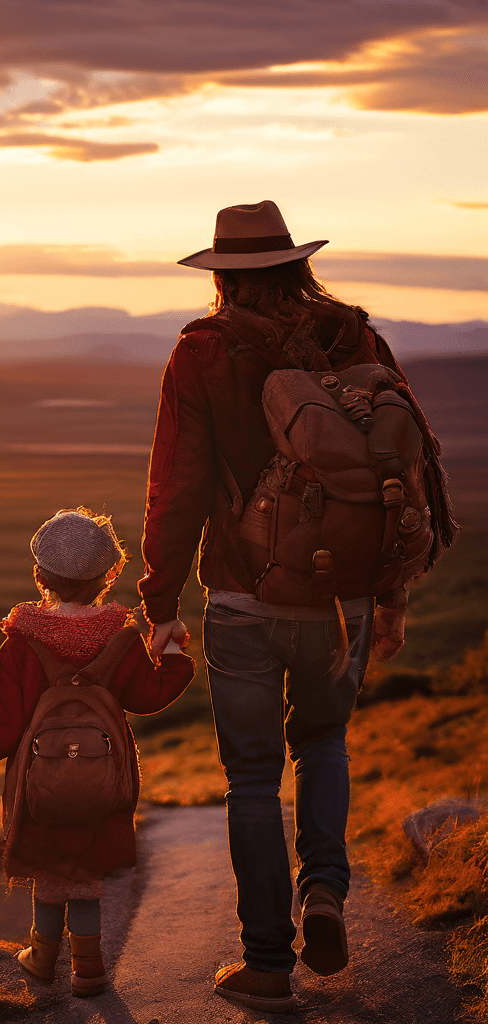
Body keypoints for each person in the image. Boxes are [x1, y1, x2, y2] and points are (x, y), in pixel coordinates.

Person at [139, 201, 457, 1013]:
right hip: (343, 599)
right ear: (296, 263)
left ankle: (267, 963)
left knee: (251, 780)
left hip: (244, 594)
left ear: (223, 276)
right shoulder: (354, 335)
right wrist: (391, 595)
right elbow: (400, 479)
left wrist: (161, 602)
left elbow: (175, 487)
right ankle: (324, 892)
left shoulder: (201, 353)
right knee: (323, 745)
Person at [0, 508, 195, 997]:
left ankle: (42, 957)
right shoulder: (123, 639)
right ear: (110, 575)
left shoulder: (19, 646)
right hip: (103, 784)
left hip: (38, 784)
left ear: (40, 575)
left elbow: (1, 732)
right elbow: (149, 697)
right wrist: (172, 654)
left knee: (49, 868)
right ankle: (89, 968)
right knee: (86, 871)